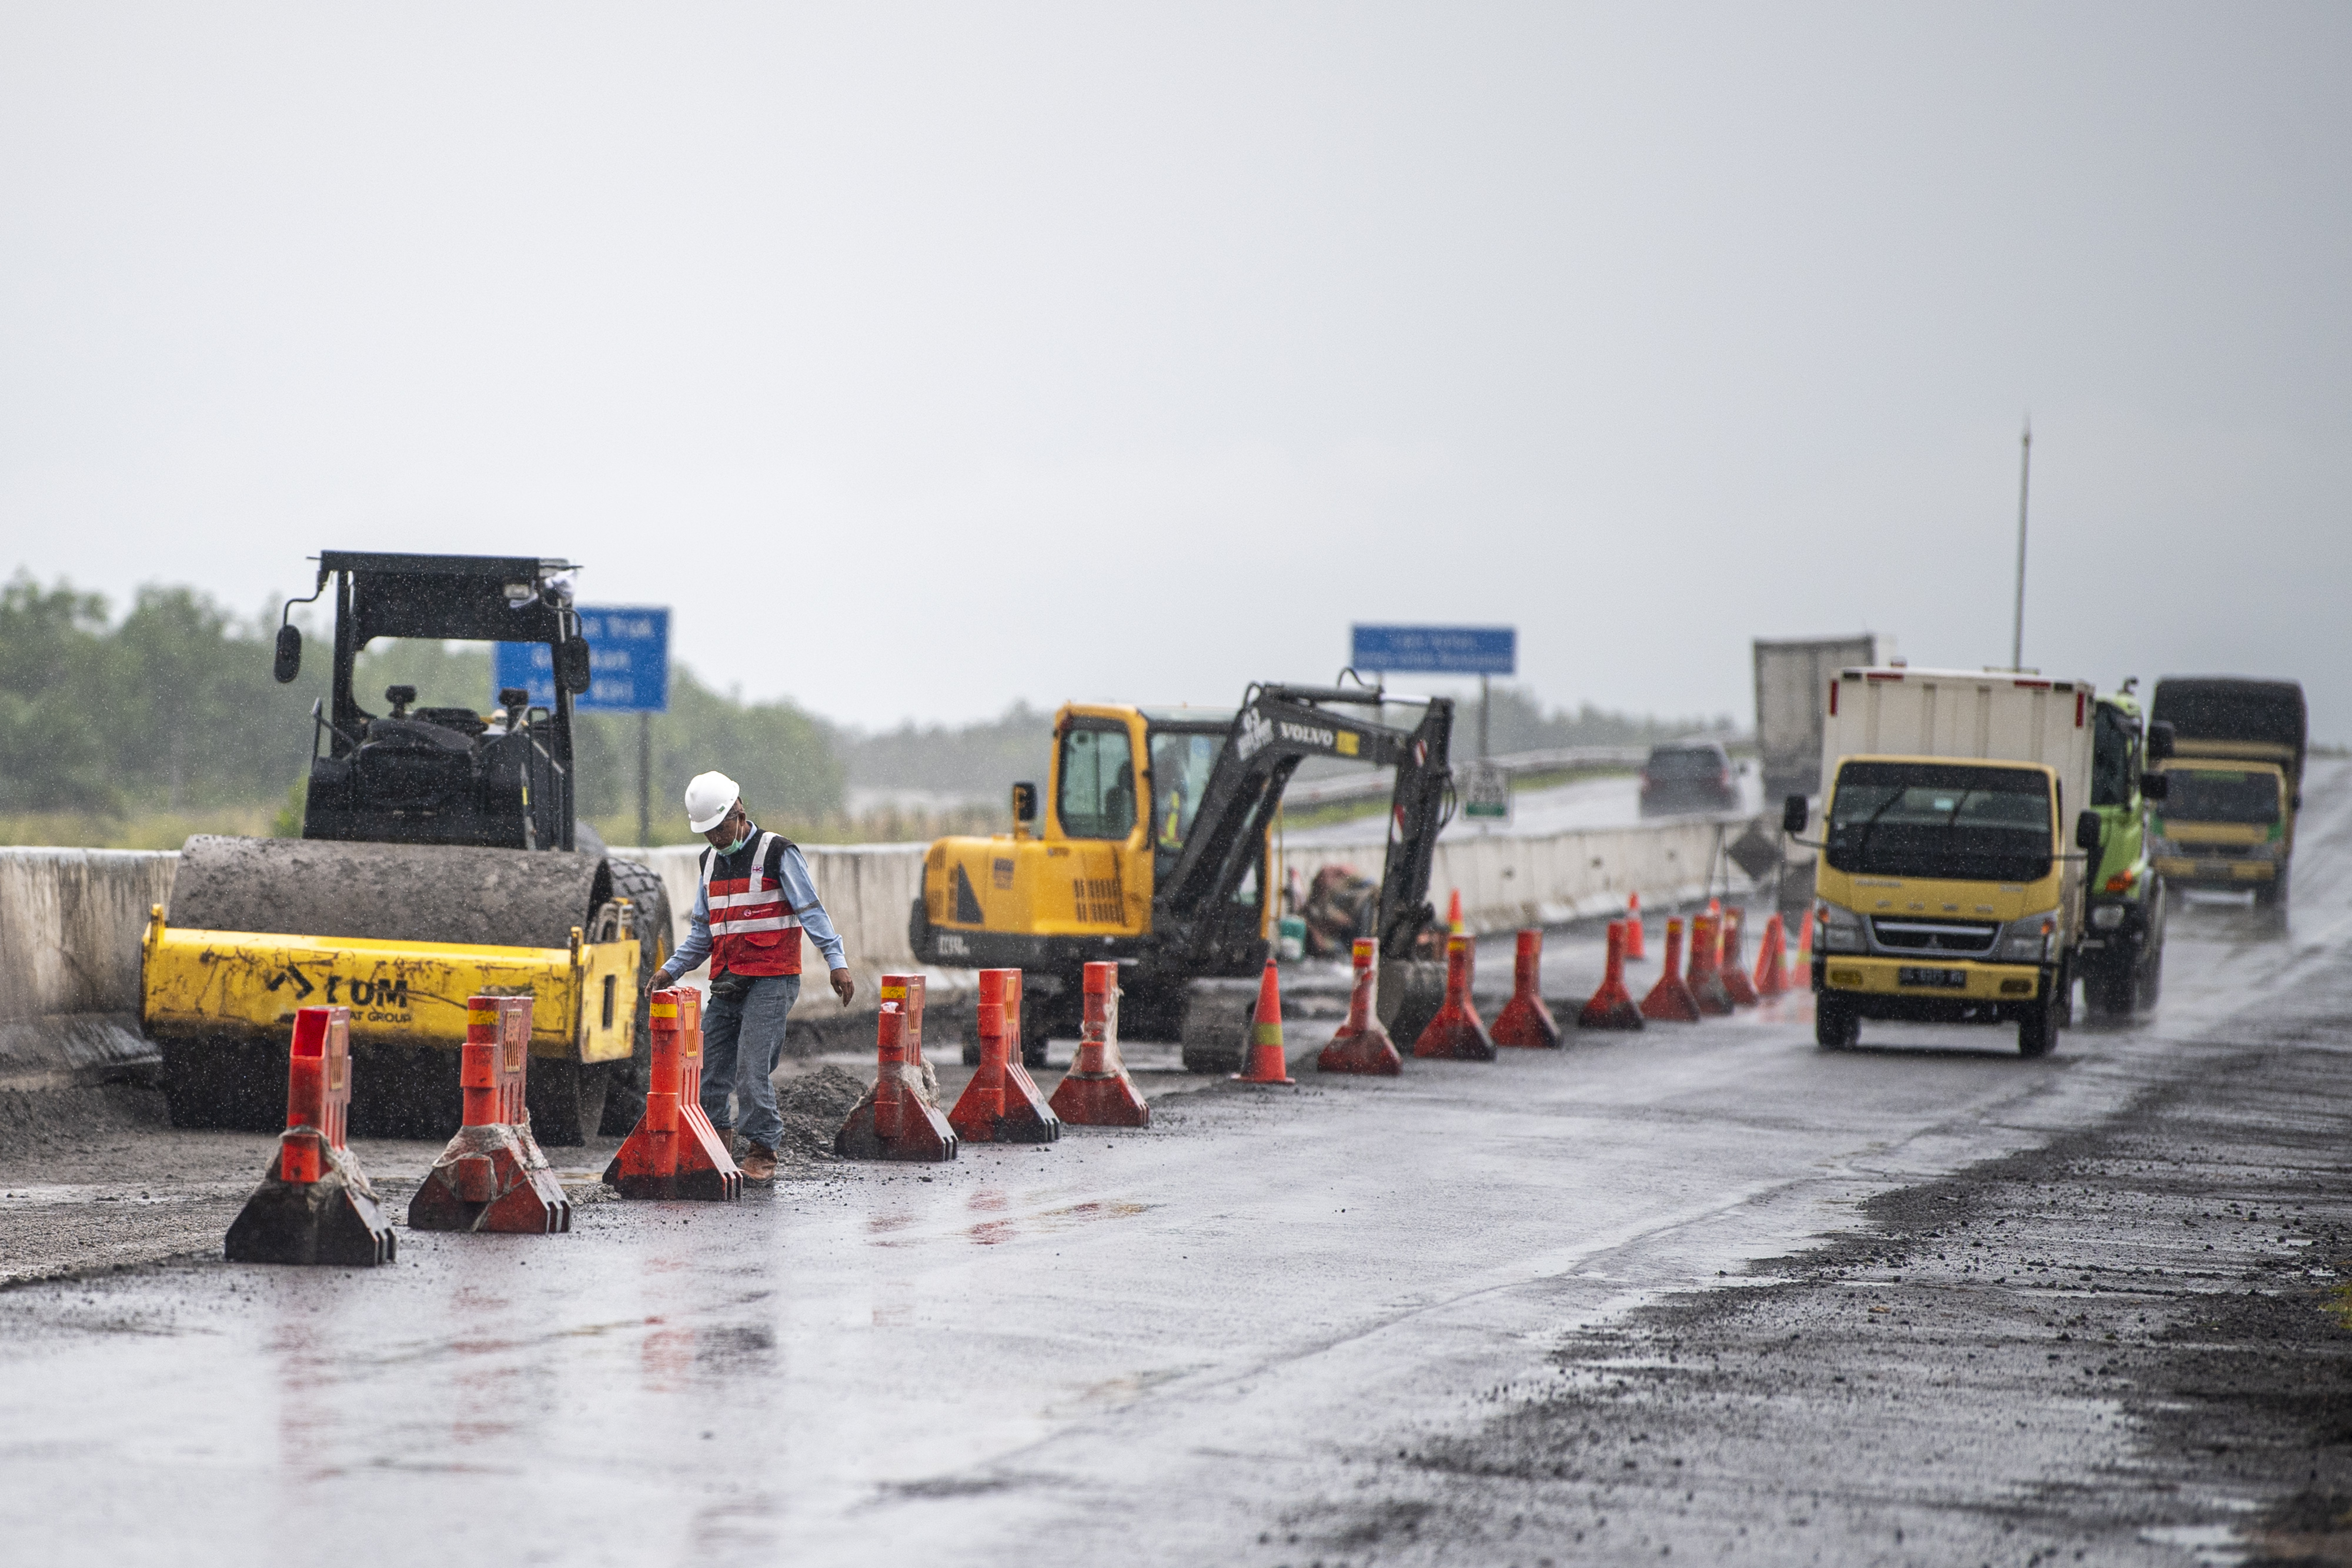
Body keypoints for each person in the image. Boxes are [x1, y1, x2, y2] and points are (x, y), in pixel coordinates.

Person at [648, 770, 854, 1182]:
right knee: (707, 1068)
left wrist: (836, 959)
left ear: (739, 812)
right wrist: (671, 969)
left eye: (720, 828)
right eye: (707, 832)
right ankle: (716, 1147)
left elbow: (811, 910)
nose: (716, 839)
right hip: (728, 979)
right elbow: (702, 933)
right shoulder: (708, 863)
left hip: (772, 978)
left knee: (750, 1067)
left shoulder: (777, 852)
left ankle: (762, 1147)